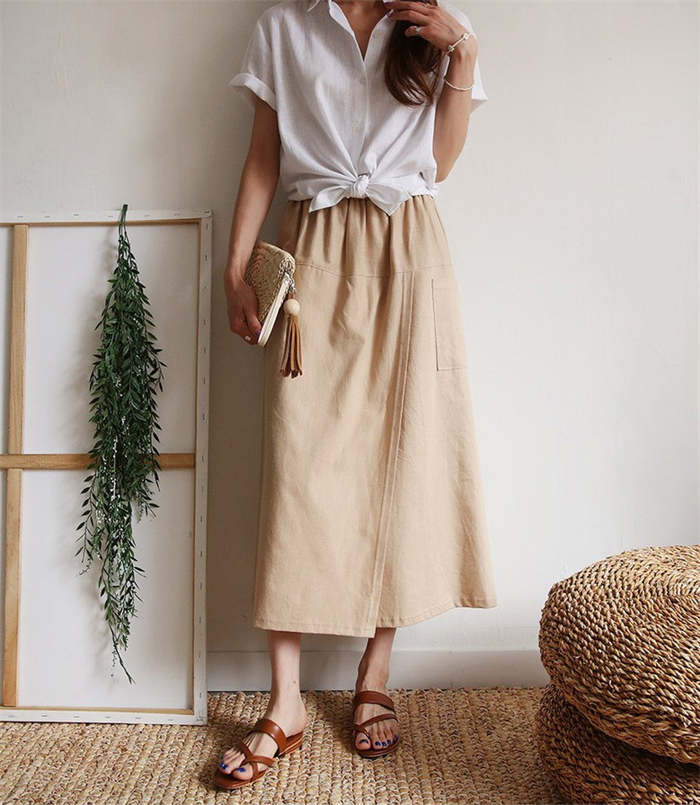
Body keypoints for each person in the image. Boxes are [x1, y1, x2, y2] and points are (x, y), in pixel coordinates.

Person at [216, 0, 497, 790]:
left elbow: (439, 163)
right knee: (298, 466)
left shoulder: (436, 27)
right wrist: (234, 269)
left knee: (400, 455)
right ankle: (286, 700)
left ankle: (376, 671)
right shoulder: (284, 27)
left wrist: (463, 57)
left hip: (408, 247)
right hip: (315, 242)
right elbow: (265, 154)